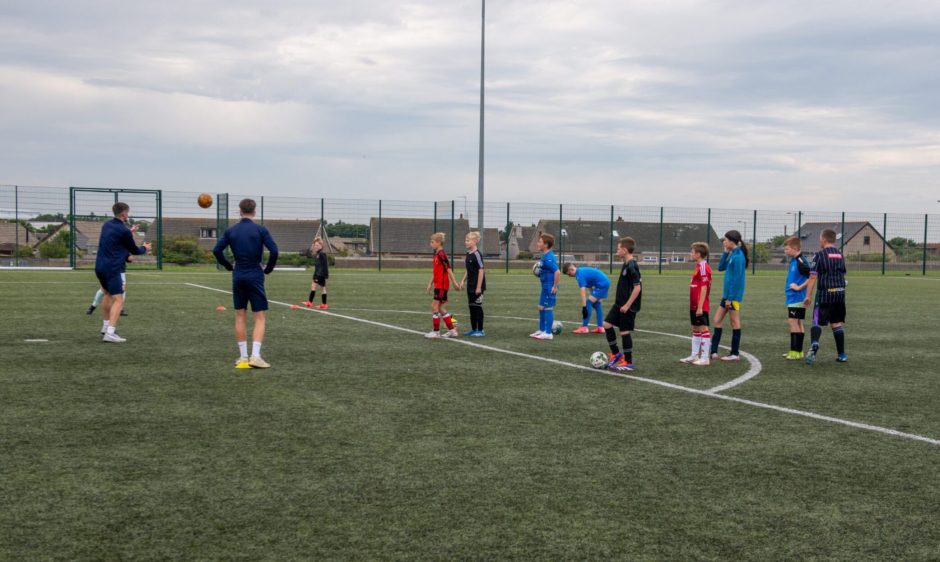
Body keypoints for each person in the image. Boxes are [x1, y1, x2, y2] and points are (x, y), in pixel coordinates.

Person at [213, 198, 279, 368]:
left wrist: (229, 266)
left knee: (240, 314)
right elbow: (274, 250)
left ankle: (243, 357)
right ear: (254, 212)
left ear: (240, 211)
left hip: (238, 274)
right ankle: (255, 356)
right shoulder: (260, 230)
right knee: (259, 316)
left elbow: (216, 250)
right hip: (255, 274)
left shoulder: (231, 231)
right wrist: (269, 269)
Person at [94, 203, 151, 342]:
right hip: (112, 268)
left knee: (107, 294)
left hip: (99, 266)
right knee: (119, 300)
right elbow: (135, 250)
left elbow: (116, 241)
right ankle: (110, 333)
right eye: (127, 212)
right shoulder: (124, 231)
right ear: (124, 213)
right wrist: (145, 248)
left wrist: (130, 232)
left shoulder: (106, 225)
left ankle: (105, 326)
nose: (128, 215)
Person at [803, 228, 848, 365]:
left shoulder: (819, 255)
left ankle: (815, 344)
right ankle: (842, 355)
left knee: (816, 321)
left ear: (823, 240)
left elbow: (812, 277)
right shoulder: (840, 255)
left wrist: (808, 296)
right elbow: (843, 274)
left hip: (825, 293)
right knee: (836, 323)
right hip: (840, 293)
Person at [709, 230, 749, 361]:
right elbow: (721, 267)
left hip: (733, 297)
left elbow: (737, 279)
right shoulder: (732, 254)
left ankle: (734, 354)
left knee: (735, 322)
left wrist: (731, 298)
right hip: (727, 296)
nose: (723, 242)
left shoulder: (738, 257)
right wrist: (725, 252)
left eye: (725, 240)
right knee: (717, 320)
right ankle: (714, 352)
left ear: (732, 241)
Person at [604, 237, 642, 371]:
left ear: (625, 250)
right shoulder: (626, 263)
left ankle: (628, 361)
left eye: (618, 248)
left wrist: (627, 305)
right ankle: (616, 354)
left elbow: (637, 288)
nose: (617, 251)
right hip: (619, 304)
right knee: (607, 324)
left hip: (628, 306)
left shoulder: (632, 265)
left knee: (624, 332)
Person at [680, 242, 712, 366]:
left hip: (700, 305)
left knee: (703, 328)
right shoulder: (698, 266)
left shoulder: (704, 267)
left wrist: (700, 306)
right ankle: (694, 355)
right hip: (694, 304)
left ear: (698, 254)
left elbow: (704, 288)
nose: (690, 254)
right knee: (695, 328)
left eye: (692, 252)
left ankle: (705, 358)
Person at [425, 232, 460, 338]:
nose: (431, 244)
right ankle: (452, 331)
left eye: (432, 242)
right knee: (440, 308)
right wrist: (430, 283)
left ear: (439, 242)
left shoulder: (441, 255)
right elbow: (435, 271)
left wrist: (454, 282)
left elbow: (448, 269)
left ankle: (436, 332)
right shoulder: (437, 255)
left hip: (442, 286)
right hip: (438, 285)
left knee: (434, 306)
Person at [783, 236, 811, 360]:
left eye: (787, 249)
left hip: (797, 297)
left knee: (793, 322)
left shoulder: (801, 261)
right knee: (798, 322)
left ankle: (794, 352)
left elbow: (812, 276)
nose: (785, 251)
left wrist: (799, 287)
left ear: (795, 248)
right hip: (793, 297)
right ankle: (798, 352)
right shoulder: (794, 260)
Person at [561, 263, 609, 334]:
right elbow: (590, 283)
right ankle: (600, 327)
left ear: (571, 270)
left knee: (588, 303)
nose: (569, 276)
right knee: (597, 305)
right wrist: (592, 294)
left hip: (601, 285)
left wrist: (584, 307)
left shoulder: (579, 275)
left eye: (569, 274)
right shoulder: (580, 271)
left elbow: (583, 292)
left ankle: (584, 327)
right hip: (604, 282)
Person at [530, 233, 560, 340]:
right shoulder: (545, 256)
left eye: (540, 242)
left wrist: (555, 286)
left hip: (549, 287)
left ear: (546, 244)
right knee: (541, 307)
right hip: (545, 285)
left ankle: (548, 333)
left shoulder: (549, 258)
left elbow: (557, 272)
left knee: (548, 307)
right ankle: (542, 330)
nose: (538, 243)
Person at [459, 231, 486, 336]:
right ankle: (474, 329)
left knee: (477, 307)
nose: (466, 242)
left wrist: (479, 287)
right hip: (470, 285)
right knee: (471, 307)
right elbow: (468, 270)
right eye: (465, 240)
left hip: (477, 286)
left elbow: (481, 270)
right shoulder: (468, 254)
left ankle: (481, 330)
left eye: (468, 240)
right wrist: (463, 280)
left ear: (475, 241)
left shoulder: (477, 255)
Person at [304, 237, 329, 309]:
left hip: (320, 274)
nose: (316, 247)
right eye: (315, 245)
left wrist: (325, 275)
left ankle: (310, 302)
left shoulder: (322, 254)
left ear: (321, 246)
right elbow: (317, 265)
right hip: (318, 274)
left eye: (317, 245)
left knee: (314, 287)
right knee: (321, 288)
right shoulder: (318, 254)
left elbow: (325, 265)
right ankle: (324, 304)